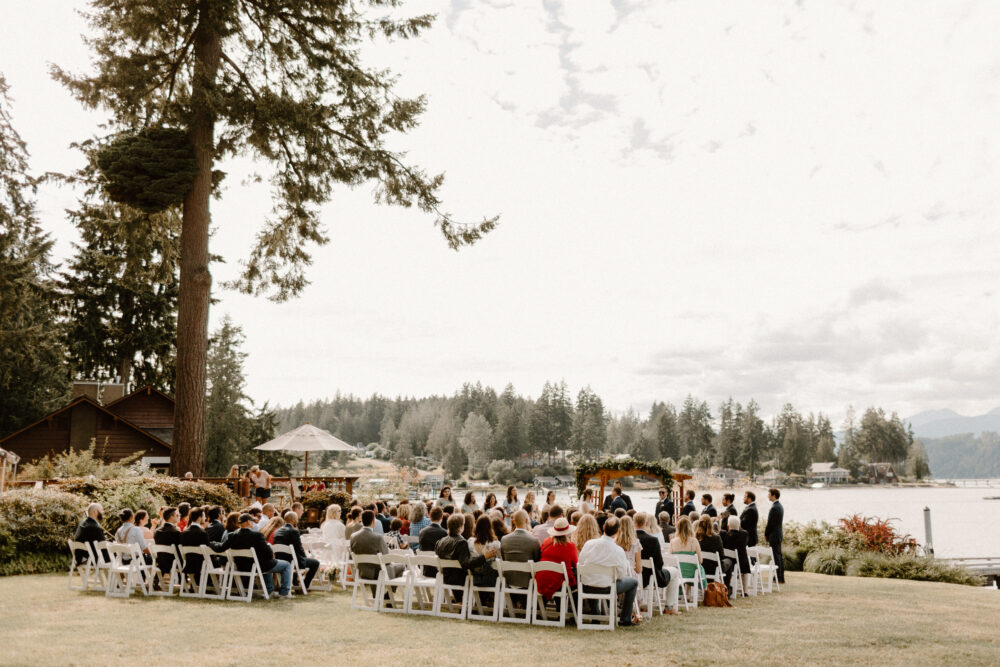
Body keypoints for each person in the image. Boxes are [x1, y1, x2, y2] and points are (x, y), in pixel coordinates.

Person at [210, 513, 293, 598]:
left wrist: (211, 543)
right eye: (252, 521)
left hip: (241, 566)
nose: (253, 523)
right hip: (259, 567)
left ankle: (269, 590)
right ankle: (284, 593)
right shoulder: (257, 535)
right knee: (286, 565)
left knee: (265, 562)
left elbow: (220, 548)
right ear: (249, 522)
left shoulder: (232, 536)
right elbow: (268, 554)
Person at [578, 517, 639, 627]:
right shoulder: (618, 550)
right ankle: (625, 619)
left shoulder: (589, 544)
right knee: (633, 582)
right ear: (617, 531)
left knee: (593, 579)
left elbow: (581, 562)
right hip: (607, 588)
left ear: (603, 527)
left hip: (587, 585)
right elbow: (621, 575)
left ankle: (595, 615)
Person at [435, 514, 494, 600]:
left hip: (445, 577)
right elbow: (466, 563)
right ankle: (481, 602)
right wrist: (484, 557)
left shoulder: (440, 541)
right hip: (460, 579)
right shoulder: (461, 542)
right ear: (461, 527)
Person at [274, 511, 320, 589]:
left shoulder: (277, 531)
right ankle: (305, 586)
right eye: (297, 519)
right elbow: (299, 549)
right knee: (315, 563)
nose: (297, 520)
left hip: (280, 560)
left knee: (296, 557)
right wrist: (304, 559)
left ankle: (295, 584)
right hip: (292, 561)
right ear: (293, 520)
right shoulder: (294, 531)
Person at [535, 517, 578, 600]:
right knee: (573, 575)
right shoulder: (570, 546)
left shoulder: (546, 541)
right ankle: (575, 608)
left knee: (559, 576)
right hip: (558, 582)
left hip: (541, 580)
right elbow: (575, 564)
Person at [499, 510, 540, 589]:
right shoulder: (534, 540)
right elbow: (537, 561)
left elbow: (504, 559)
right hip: (528, 583)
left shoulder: (504, 539)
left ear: (513, 521)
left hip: (509, 582)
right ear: (527, 520)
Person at [635, 512, 671, 592]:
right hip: (649, 576)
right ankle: (669, 603)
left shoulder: (628, 538)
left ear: (634, 523)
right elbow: (659, 563)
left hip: (632, 575)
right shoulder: (653, 540)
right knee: (674, 572)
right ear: (646, 523)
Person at [669, 516, 703, 598]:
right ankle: (701, 591)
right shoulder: (694, 541)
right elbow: (700, 561)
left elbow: (670, 560)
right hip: (691, 573)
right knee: (698, 568)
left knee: (682, 566)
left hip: (678, 572)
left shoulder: (673, 541)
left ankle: (683, 593)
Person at [721, 515, 750, 593]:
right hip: (741, 564)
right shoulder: (744, 535)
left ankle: (726, 585)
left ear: (728, 526)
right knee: (745, 560)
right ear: (740, 526)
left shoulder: (724, 535)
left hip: (729, 564)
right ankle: (745, 590)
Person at [696, 514, 728, 582]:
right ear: (711, 524)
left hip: (699, 567)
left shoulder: (695, 537)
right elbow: (721, 556)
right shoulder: (716, 538)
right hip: (713, 569)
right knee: (729, 562)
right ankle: (725, 587)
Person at [179, 507, 209, 577]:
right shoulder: (203, 533)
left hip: (188, 564)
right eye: (204, 516)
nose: (205, 518)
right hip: (201, 565)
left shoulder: (184, 532)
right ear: (199, 518)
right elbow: (207, 548)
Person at [764, 487, 785, 584]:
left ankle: (778, 577)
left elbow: (770, 523)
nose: (768, 496)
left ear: (773, 495)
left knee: (776, 557)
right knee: (779, 556)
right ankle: (780, 576)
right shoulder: (779, 506)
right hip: (778, 534)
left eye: (769, 494)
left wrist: (766, 534)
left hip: (774, 535)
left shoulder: (774, 507)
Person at [154, 507, 182, 575]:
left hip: (160, 562)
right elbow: (180, 550)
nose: (179, 517)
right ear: (171, 517)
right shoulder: (175, 532)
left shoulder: (157, 531)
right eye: (177, 515)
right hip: (174, 563)